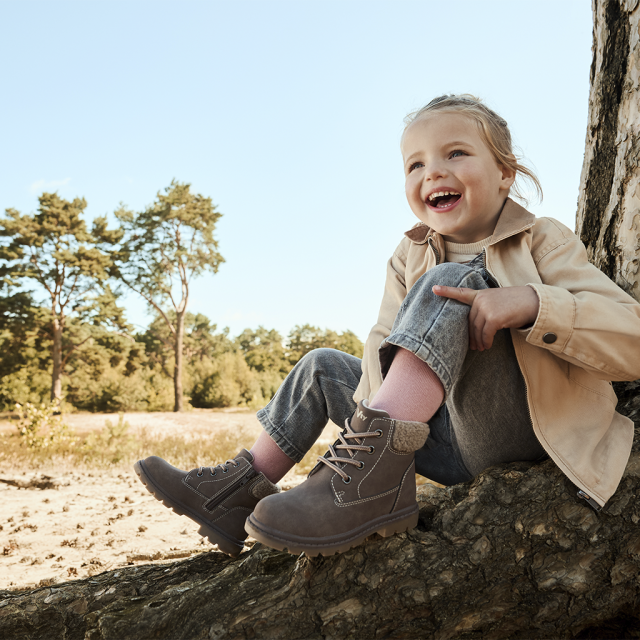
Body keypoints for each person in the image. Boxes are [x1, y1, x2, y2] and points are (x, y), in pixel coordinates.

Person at [134, 95, 640, 558]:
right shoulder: (408, 255)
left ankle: (360, 484)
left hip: (518, 432)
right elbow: (382, 347)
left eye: (456, 153)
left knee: (450, 282)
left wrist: (534, 303)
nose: (432, 171)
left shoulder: (541, 241)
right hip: (435, 441)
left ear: (506, 173)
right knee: (323, 366)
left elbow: (631, 337)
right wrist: (361, 425)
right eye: (415, 164)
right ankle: (235, 493)